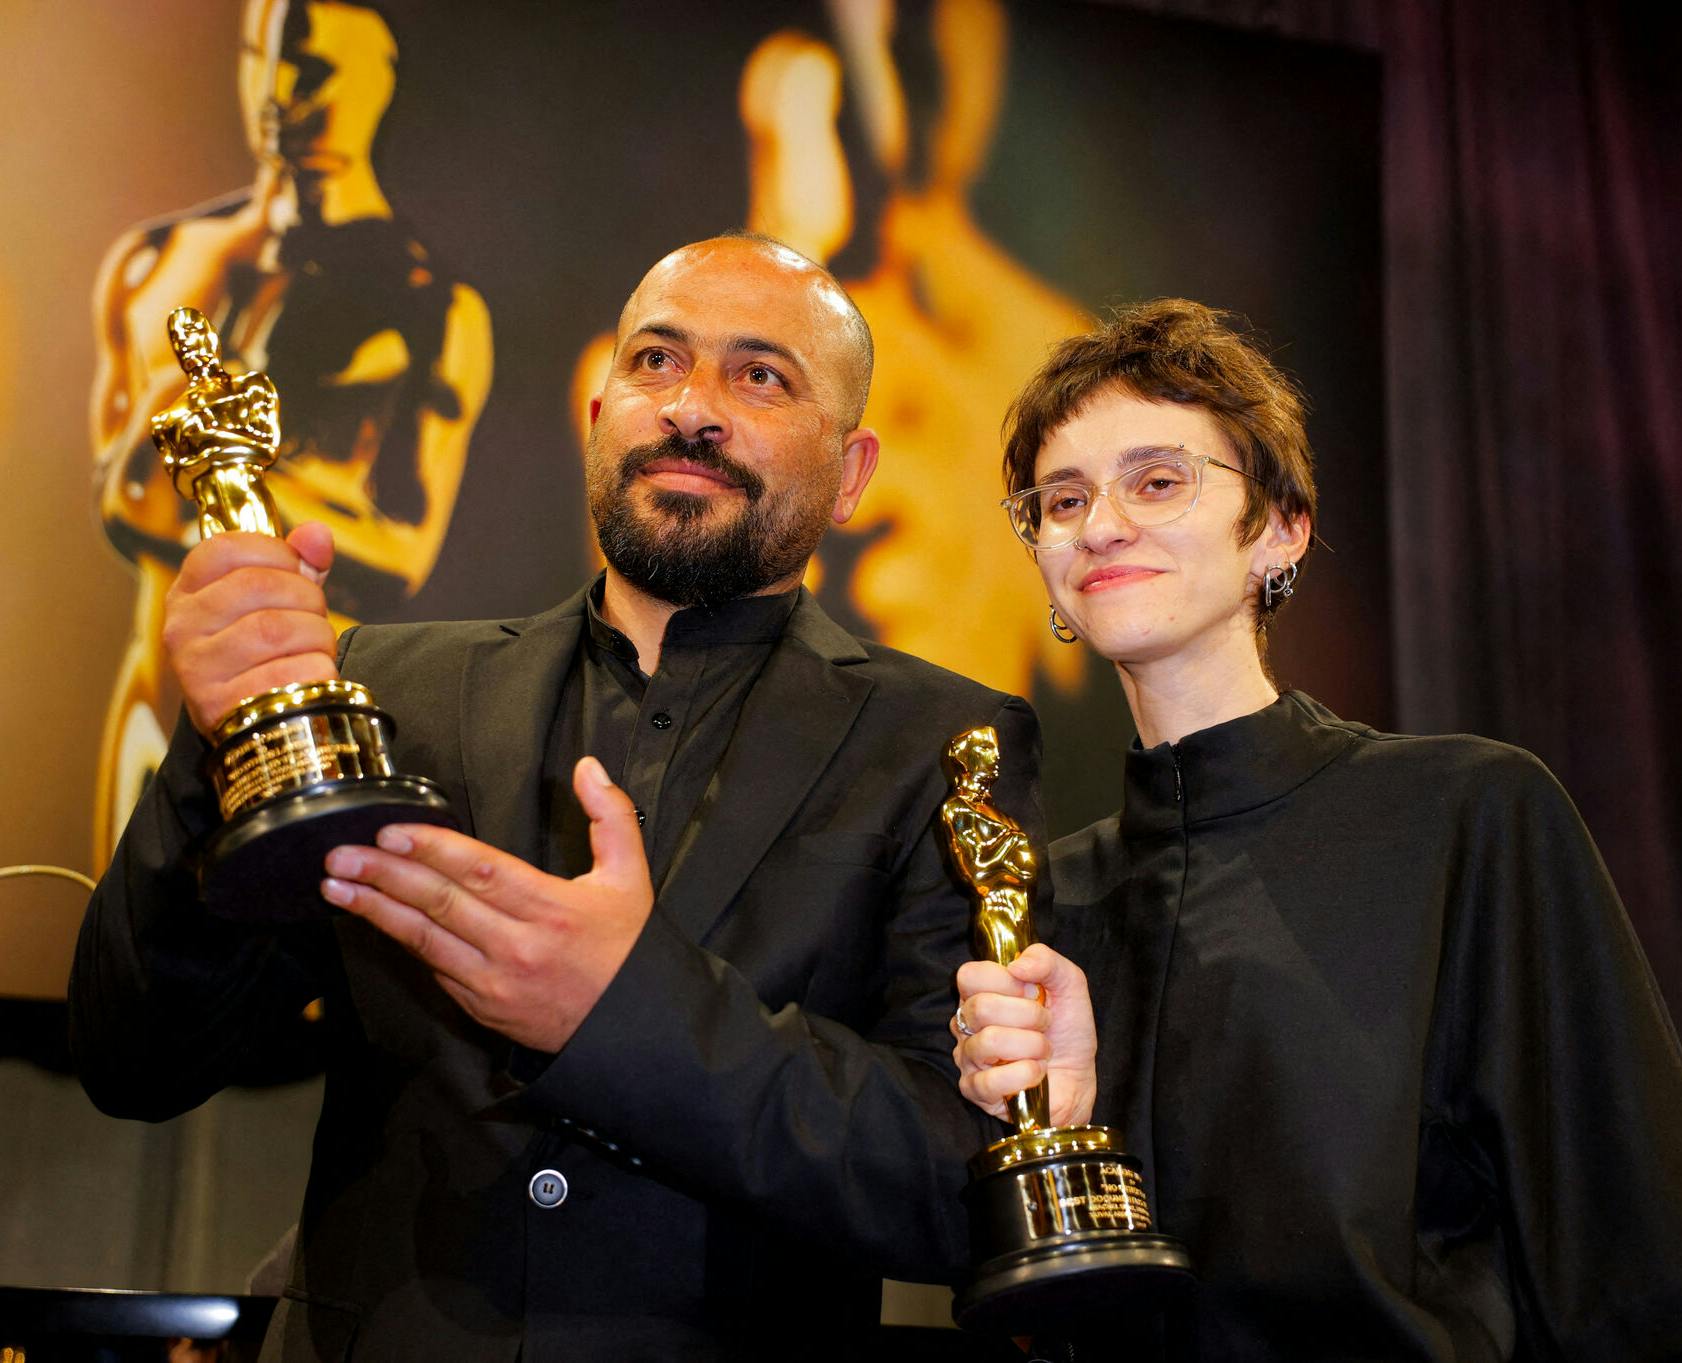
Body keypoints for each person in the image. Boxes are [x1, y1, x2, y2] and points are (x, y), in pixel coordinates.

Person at [72, 233, 1041, 1361]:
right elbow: (137, 1058)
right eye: (656, 362)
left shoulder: (945, 745)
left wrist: (628, 1015)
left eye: (760, 376)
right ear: (597, 420)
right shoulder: (383, 686)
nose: (693, 409)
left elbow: (956, 1182)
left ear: (853, 473)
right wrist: (215, 744)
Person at [950, 299, 1682, 1360]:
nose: (1101, 523)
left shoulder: (1468, 815)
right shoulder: (1042, 909)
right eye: (1062, 498)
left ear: (1277, 528)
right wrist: (1060, 1129)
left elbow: (1646, 1264)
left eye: (1157, 480)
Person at [89, 0, 492, 872]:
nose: (278, 94)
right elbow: (121, 495)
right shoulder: (158, 262)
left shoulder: (431, 311)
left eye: (313, 69)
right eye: (259, 57)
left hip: (302, 740)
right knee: (113, 980)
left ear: (382, 81)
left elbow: (404, 550)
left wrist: (233, 482)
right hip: (146, 713)